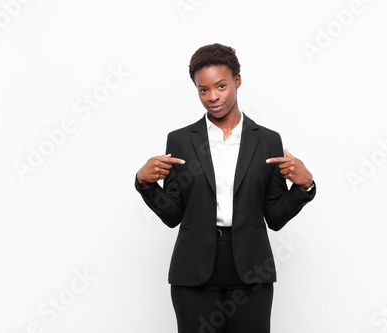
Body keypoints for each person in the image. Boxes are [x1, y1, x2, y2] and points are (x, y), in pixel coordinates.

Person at [135, 43, 316, 333]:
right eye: (202, 89)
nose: (212, 97)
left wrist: (304, 187)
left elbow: (275, 216)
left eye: (221, 85)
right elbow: (173, 214)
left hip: (251, 270)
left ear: (237, 81)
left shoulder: (267, 140)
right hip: (193, 271)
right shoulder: (180, 140)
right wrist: (145, 184)